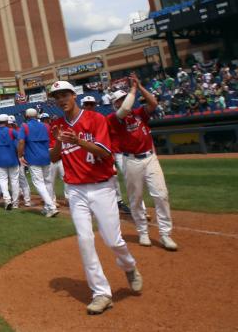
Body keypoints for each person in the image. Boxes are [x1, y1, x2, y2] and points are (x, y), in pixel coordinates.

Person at [48, 80, 142, 316]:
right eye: (56, 96)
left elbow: (105, 152)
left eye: (64, 94)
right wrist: (60, 141)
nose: (61, 99)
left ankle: (129, 266)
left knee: (113, 240)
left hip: (101, 186)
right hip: (75, 189)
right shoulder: (57, 125)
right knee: (85, 240)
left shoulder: (95, 119)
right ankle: (101, 293)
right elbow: (52, 158)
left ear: (74, 95)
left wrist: (78, 141)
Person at [107, 76, 177, 250]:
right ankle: (143, 231)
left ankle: (165, 234)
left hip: (150, 157)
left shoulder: (139, 114)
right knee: (136, 198)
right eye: (119, 100)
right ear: (114, 104)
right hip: (131, 160)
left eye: (124, 98)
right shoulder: (114, 118)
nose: (122, 102)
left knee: (161, 195)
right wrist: (132, 91)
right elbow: (124, 109)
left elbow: (153, 103)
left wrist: (140, 86)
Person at [17, 108, 58, 218]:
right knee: (48, 182)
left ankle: (51, 206)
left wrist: (20, 155)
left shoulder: (24, 126)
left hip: (33, 158)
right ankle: (49, 206)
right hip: (46, 156)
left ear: (26, 116)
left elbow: (21, 142)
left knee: (39, 183)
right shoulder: (46, 126)